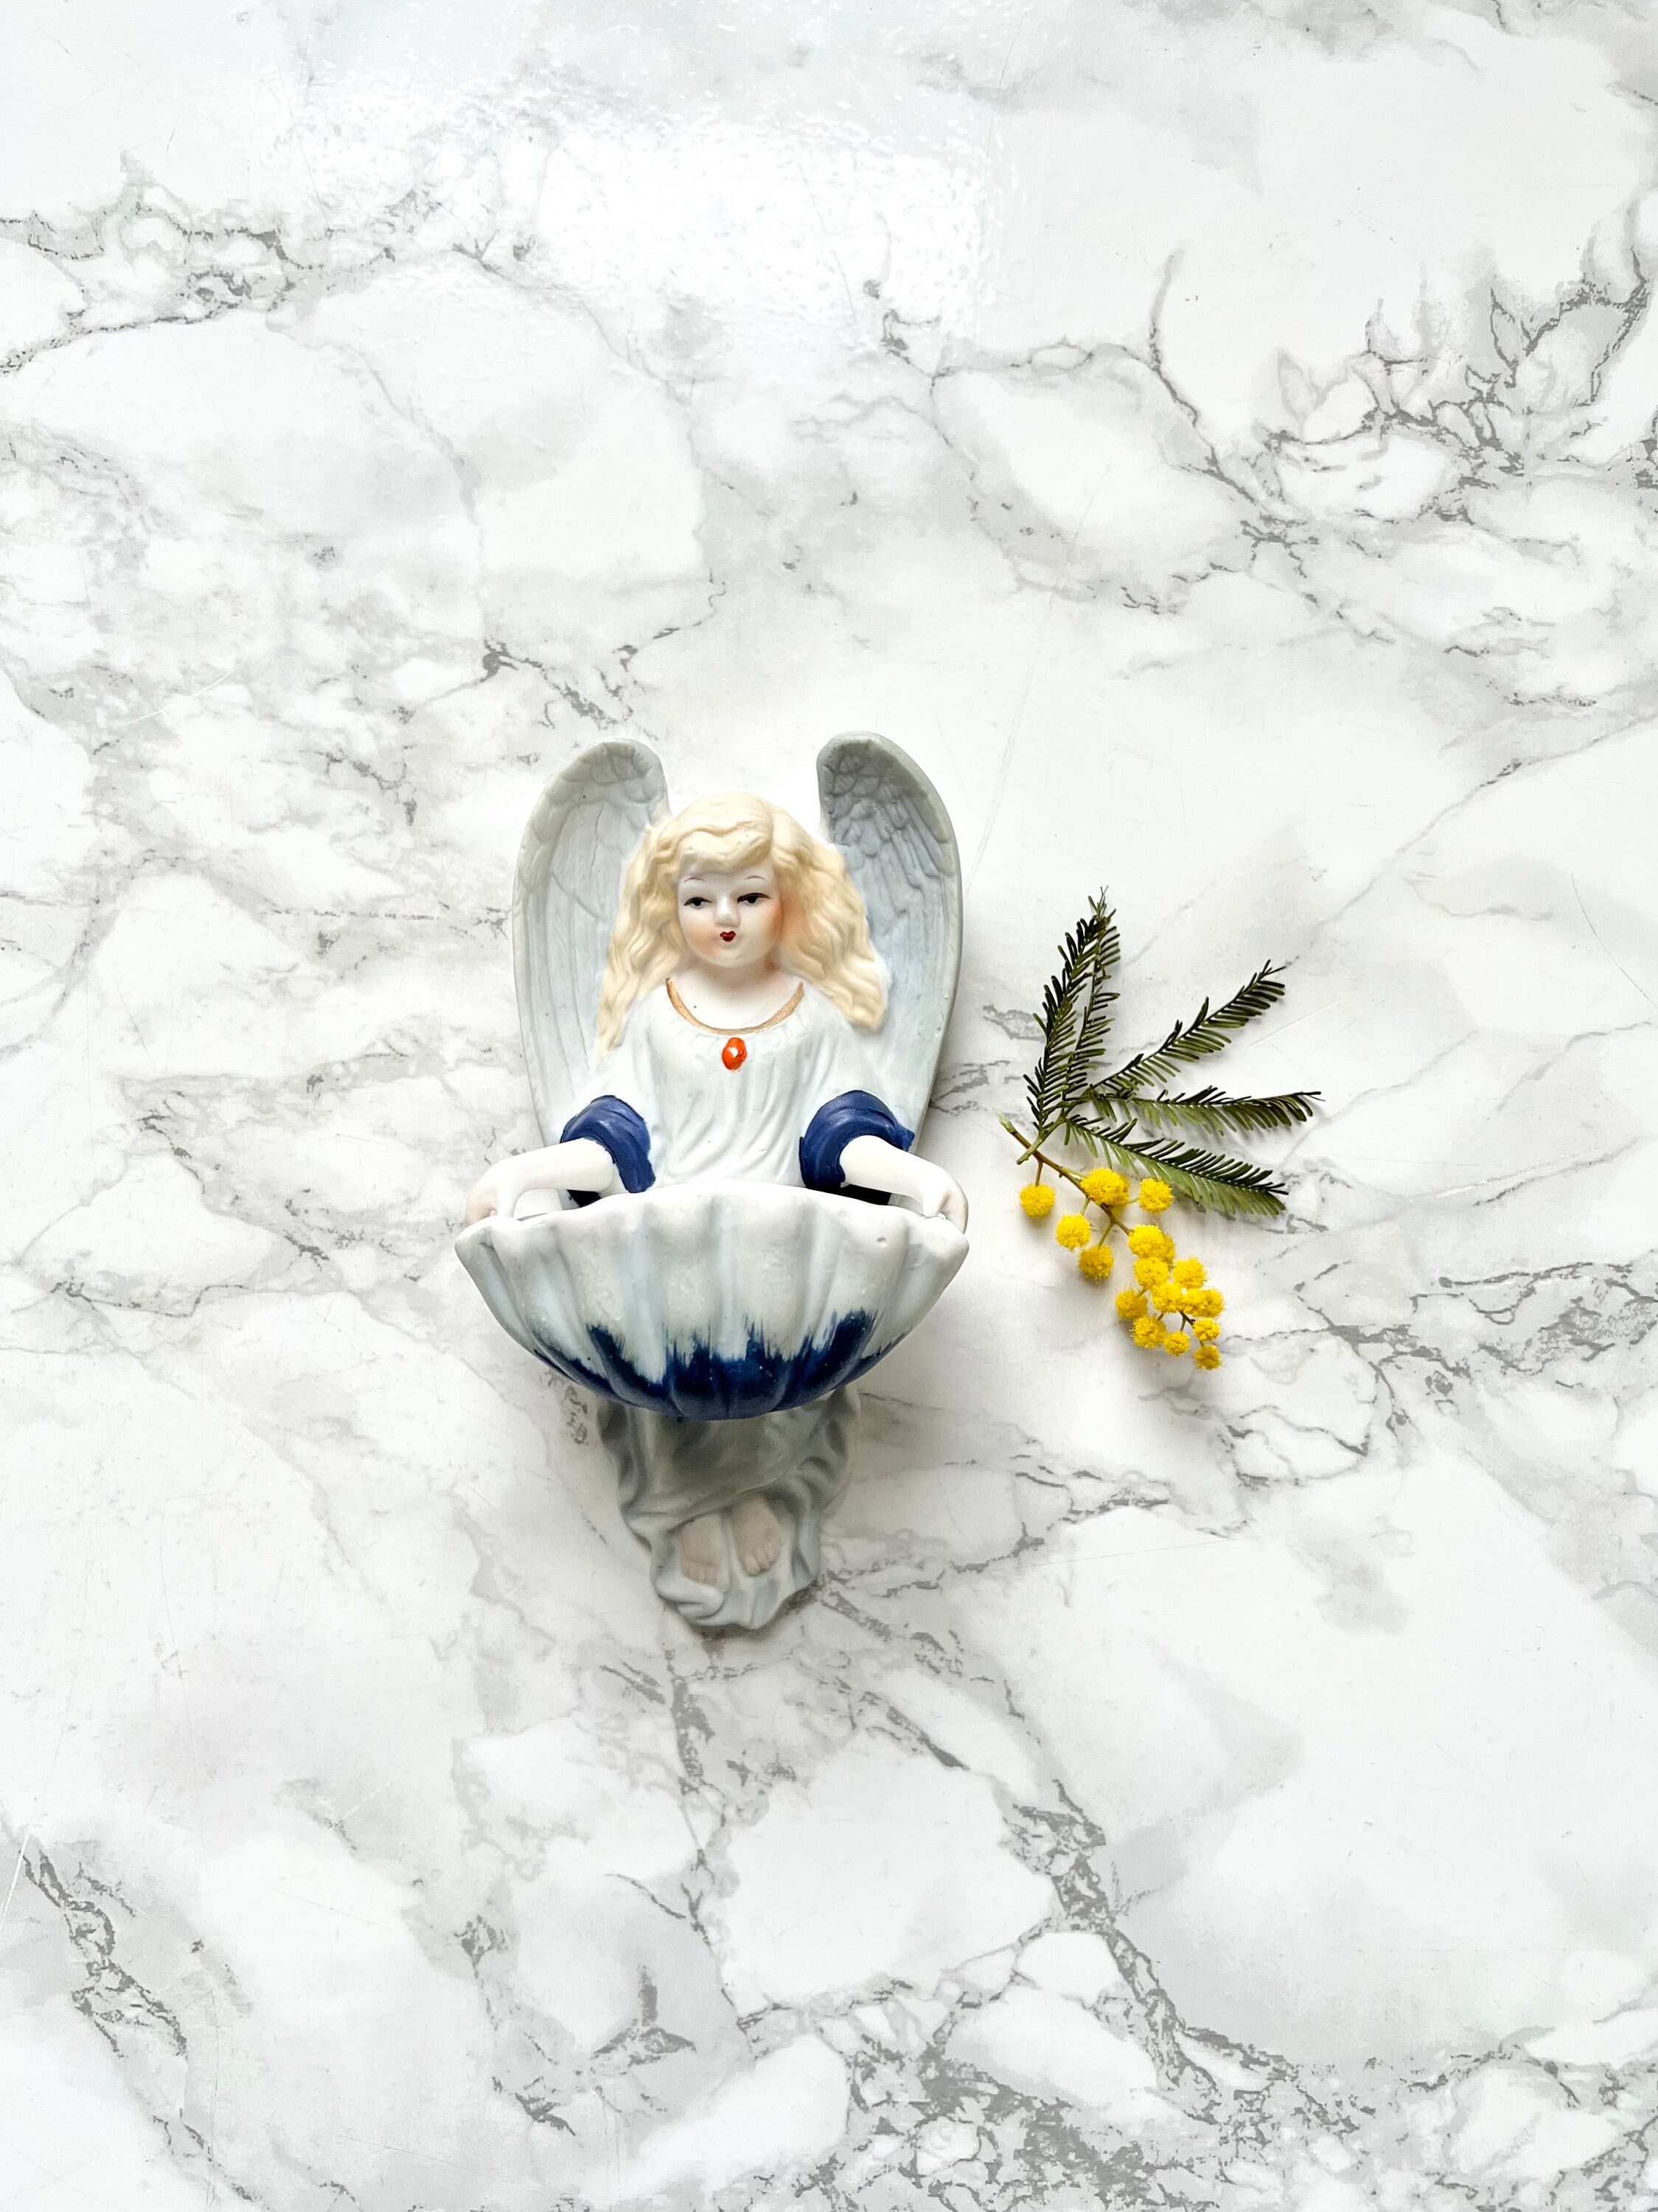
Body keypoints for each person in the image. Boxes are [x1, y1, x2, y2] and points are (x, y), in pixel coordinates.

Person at [464, 790, 967, 1608]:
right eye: (699, 900)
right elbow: (620, 1140)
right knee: (670, 1344)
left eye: (749, 897)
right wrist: (529, 1172)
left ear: (791, 902)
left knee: (775, 1347)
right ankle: (688, 1505)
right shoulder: (656, 1021)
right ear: (669, 907)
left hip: (780, 1237)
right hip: (672, 1233)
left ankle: (765, 1490)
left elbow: (837, 1133)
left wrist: (911, 1178)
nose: (723, 919)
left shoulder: (811, 1022)